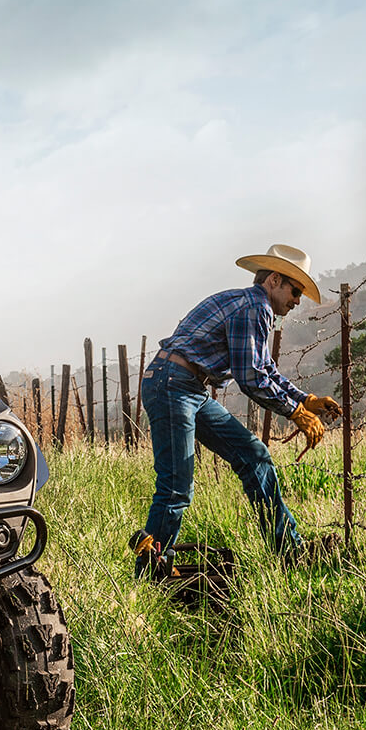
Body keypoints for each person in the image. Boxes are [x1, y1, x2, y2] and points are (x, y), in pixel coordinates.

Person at [131, 243, 342, 576]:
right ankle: (148, 572)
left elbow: (263, 370)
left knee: (253, 454)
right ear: (274, 279)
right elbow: (251, 378)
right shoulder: (253, 307)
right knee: (176, 486)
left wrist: (304, 400)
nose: (298, 299)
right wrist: (294, 412)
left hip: (185, 386)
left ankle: (290, 551)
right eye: (296, 290)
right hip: (173, 385)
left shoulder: (249, 304)